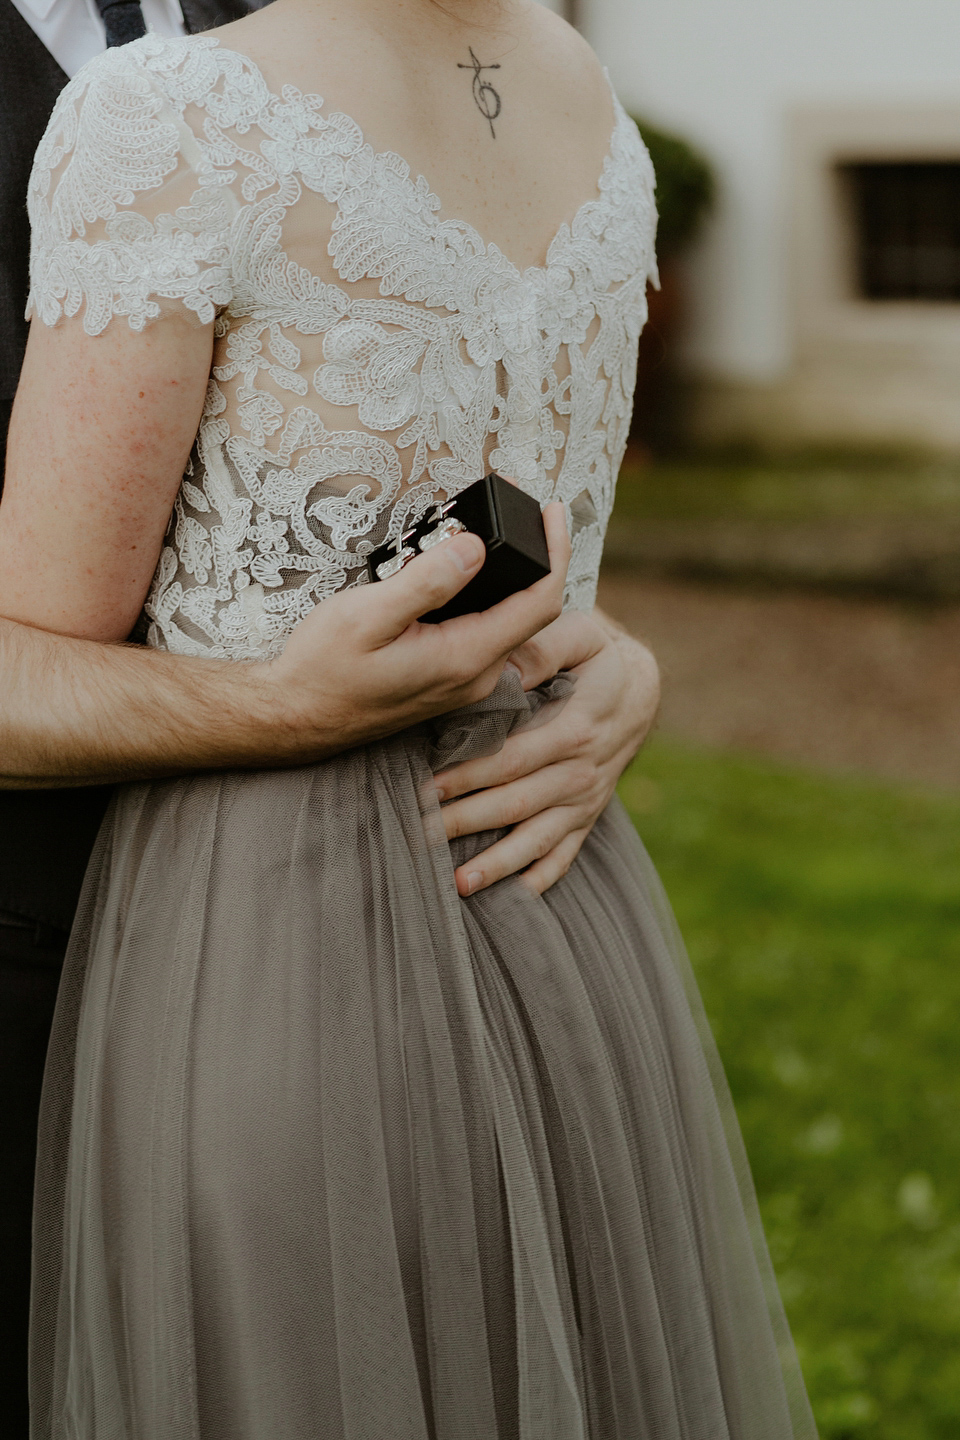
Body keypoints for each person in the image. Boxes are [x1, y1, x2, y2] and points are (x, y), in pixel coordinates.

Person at [1, 0, 816, 1434]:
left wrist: (607, 652)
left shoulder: (188, 102)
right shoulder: (581, 94)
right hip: (552, 924)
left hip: (267, 936)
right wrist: (289, 694)